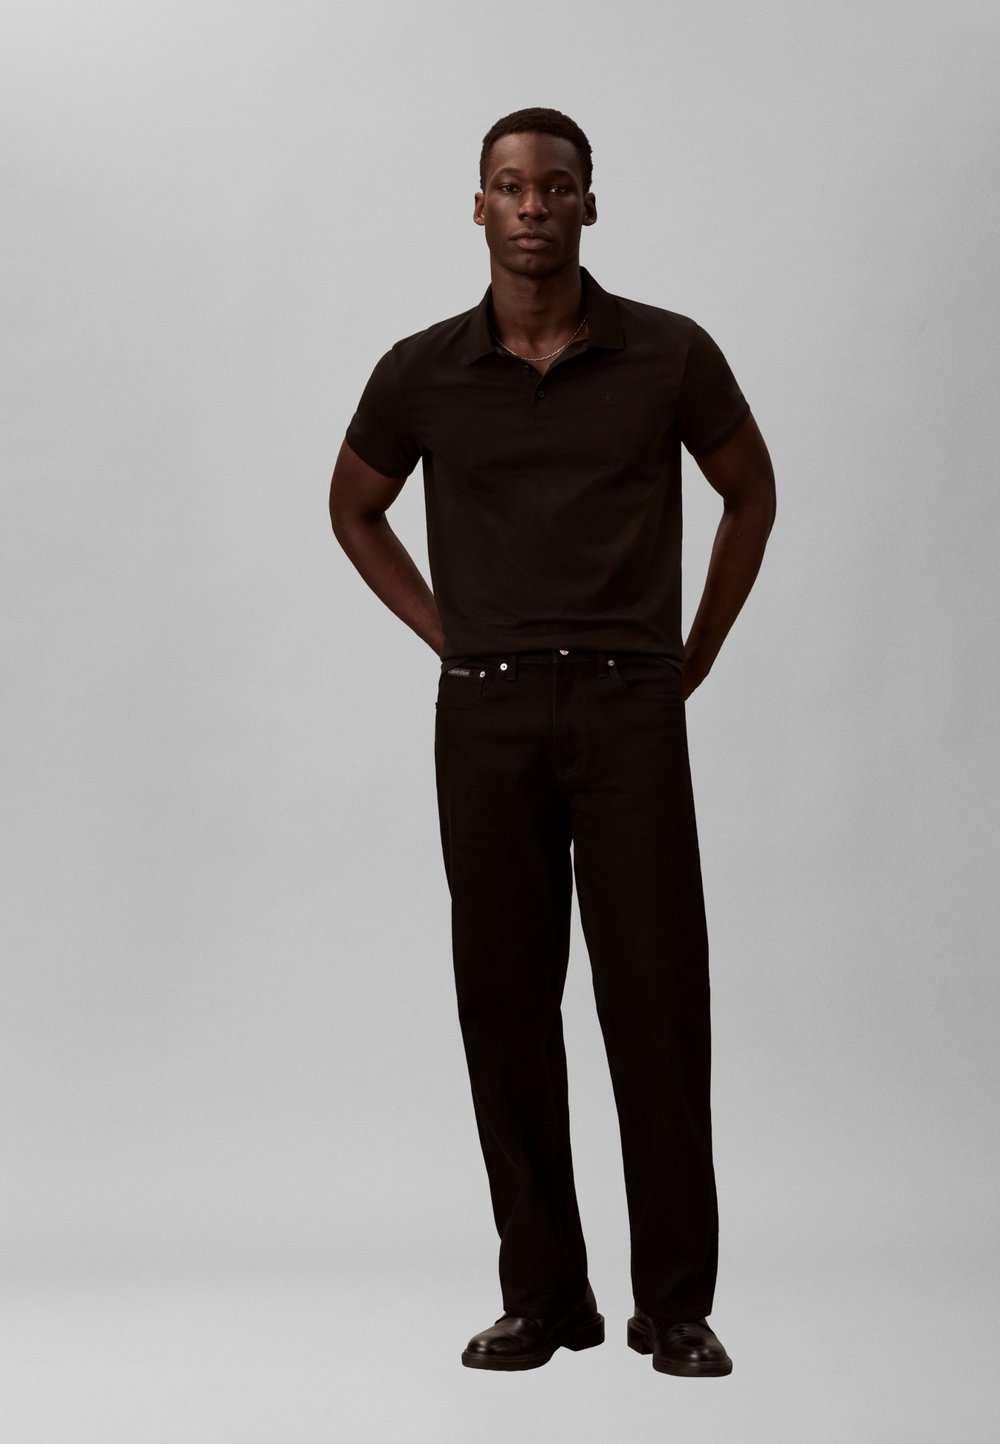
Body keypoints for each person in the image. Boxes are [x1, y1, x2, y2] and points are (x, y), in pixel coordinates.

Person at [328, 106, 776, 1377]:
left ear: (588, 203)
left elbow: (751, 491)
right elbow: (353, 506)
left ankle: (673, 1305)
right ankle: (542, 1297)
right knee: (505, 1005)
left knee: (656, 1003)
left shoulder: (668, 352)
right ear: (478, 207)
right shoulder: (420, 370)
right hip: (487, 715)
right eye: (511, 186)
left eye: (556, 185)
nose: (533, 205)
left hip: (630, 709)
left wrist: (693, 650)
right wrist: (448, 631)